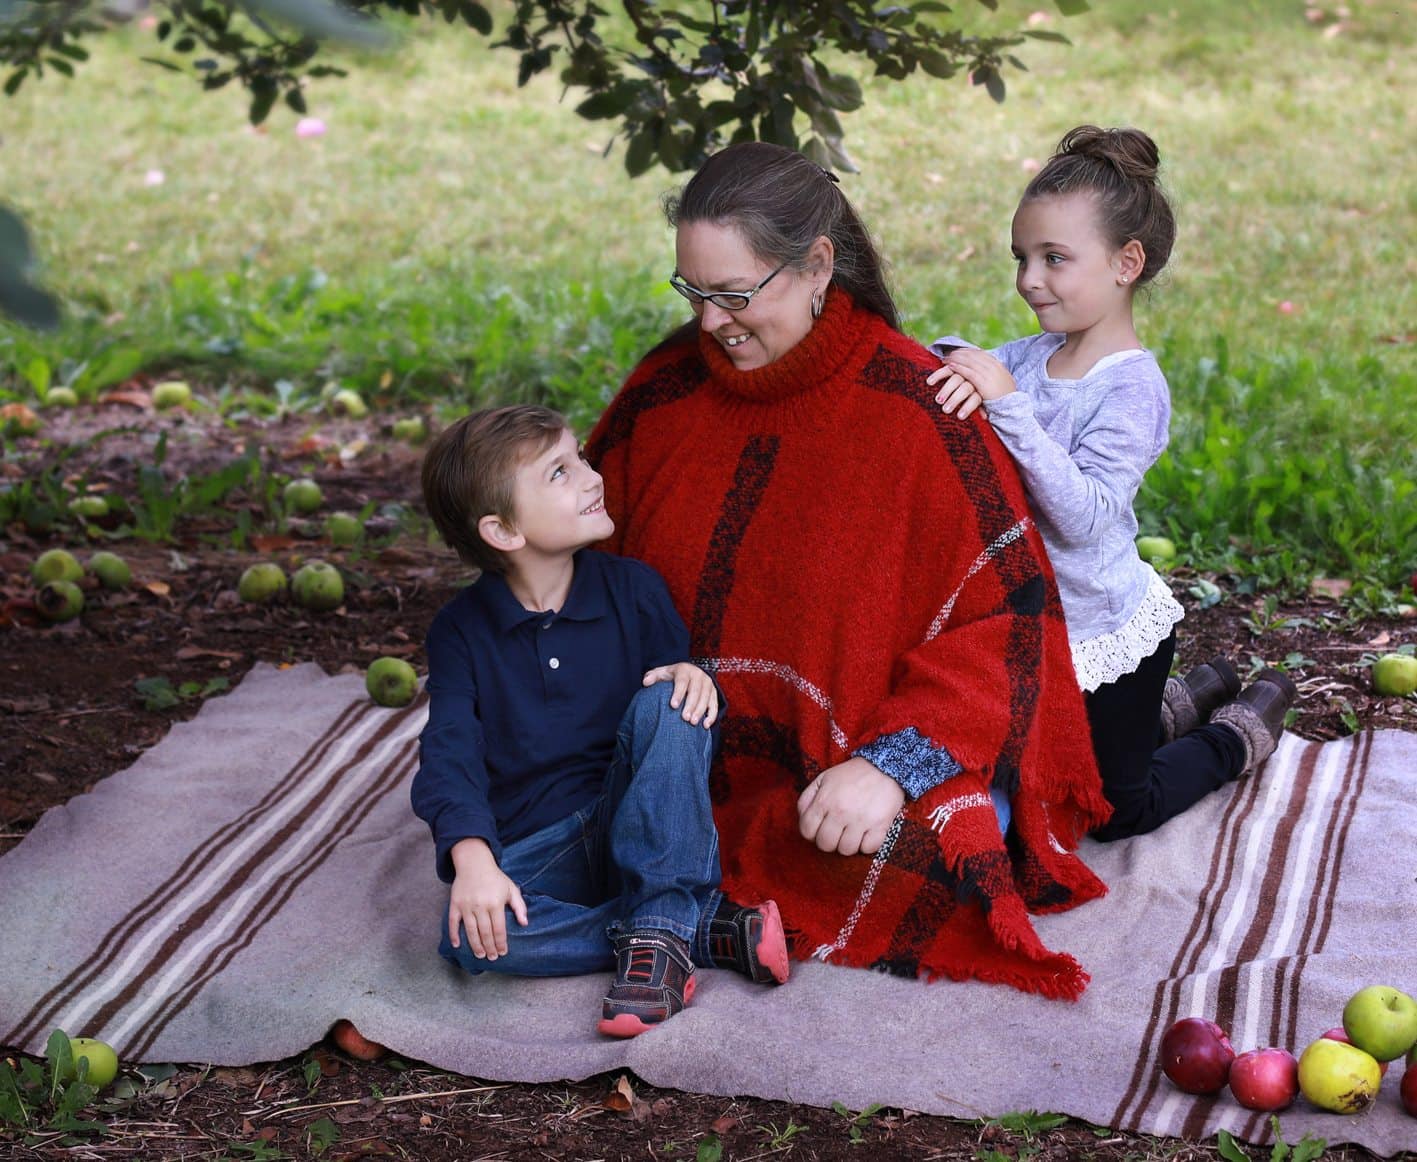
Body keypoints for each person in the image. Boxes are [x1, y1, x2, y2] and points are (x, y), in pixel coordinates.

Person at [585, 141, 1113, 1001]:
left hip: (842, 773)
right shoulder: (663, 392)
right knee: (557, 842)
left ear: (818, 264)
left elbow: (1009, 619)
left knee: (928, 860)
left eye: (735, 293)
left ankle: (1183, 718)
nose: (711, 321)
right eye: (694, 292)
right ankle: (683, 891)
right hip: (671, 763)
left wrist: (892, 766)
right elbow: (572, 573)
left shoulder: (918, 408)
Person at [925, 125, 1297, 841]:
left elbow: (1088, 517)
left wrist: (1007, 407)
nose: (1028, 279)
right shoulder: (1031, 357)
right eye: (1021, 258)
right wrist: (945, 361)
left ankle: (1236, 730)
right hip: (1031, 626)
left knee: (1112, 813)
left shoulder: (1131, 389)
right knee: (1037, 776)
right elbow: (960, 357)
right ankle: (1177, 706)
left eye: (1053, 259)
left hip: (1107, 635)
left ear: (1126, 262)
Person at [411, 404, 789, 1040]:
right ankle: (682, 929)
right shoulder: (460, 631)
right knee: (473, 943)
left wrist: (693, 679)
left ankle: (661, 918)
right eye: (561, 473)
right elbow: (449, 748)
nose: (592, 476)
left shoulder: (633, 590)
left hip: (636, 819)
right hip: (541, 841)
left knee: (670, 698)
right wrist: (472, 859)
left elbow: (675, 748)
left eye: (580, 457)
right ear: (503, 531)